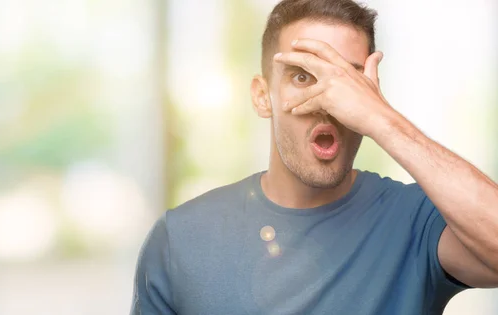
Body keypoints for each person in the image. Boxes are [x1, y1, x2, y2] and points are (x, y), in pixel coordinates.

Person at [131, 0, 498, 314]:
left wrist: (381, 119)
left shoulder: (417, 223)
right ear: (263, 96)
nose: (329, 101)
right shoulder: (179, 238)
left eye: (347, 81)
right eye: (303, 77)